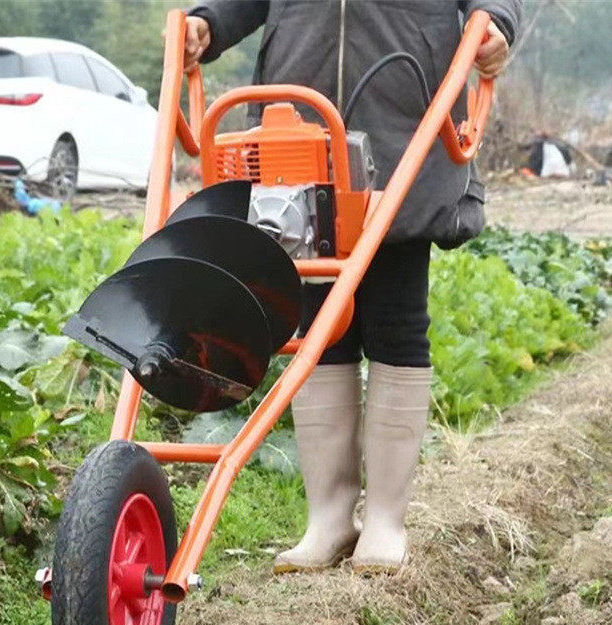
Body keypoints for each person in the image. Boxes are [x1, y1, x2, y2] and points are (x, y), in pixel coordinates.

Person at [184, 0, 521, 574]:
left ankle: (386, 519)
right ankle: (330, 517)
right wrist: (208, 22)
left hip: (406, 115)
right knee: (319, 325)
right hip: (297, 123)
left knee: (396, 319)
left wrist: (496, 23)